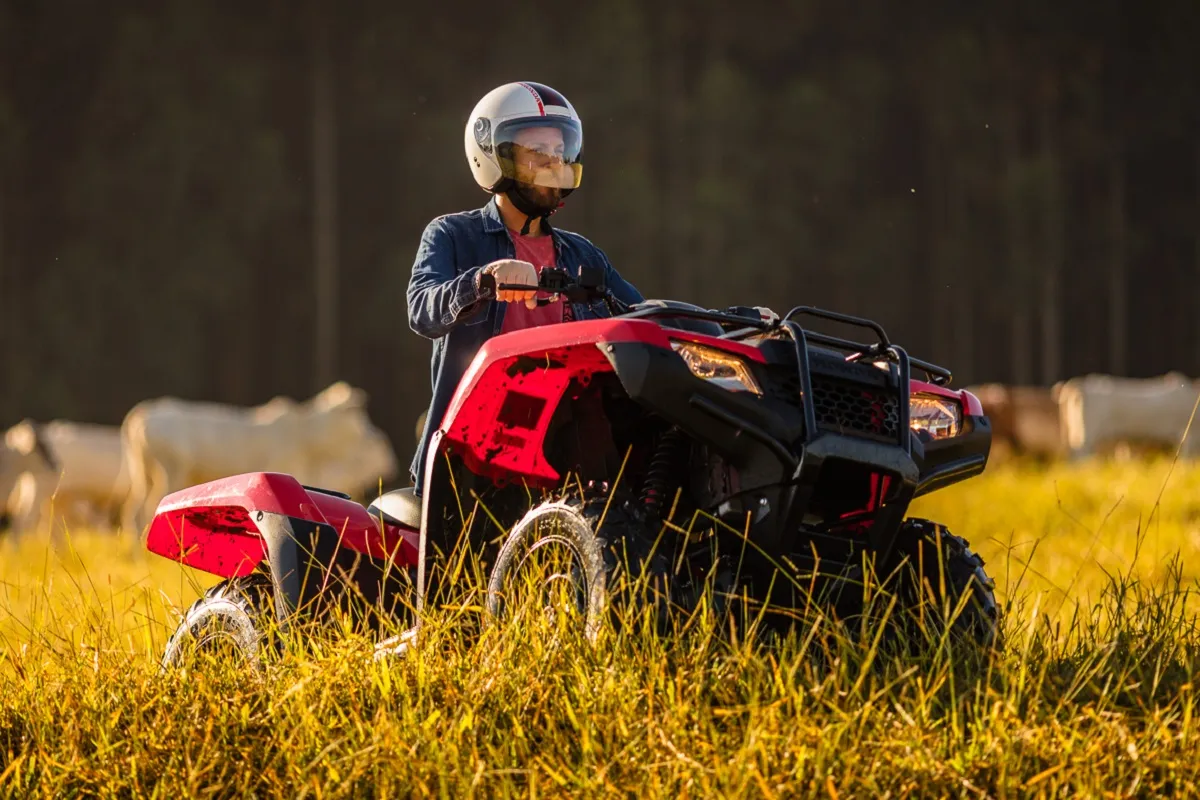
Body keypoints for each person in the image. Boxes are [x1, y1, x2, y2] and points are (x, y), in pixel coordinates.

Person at [405, 81, 644, 495]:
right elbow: (422, 310)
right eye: (536, 152)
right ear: (491, 155)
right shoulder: (453, 235)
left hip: (570, 451)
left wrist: (721, 326)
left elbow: (641, 316)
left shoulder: (583, 254)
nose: (552, 163)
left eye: (558, 151)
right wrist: (482, 281)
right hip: (477, 452)